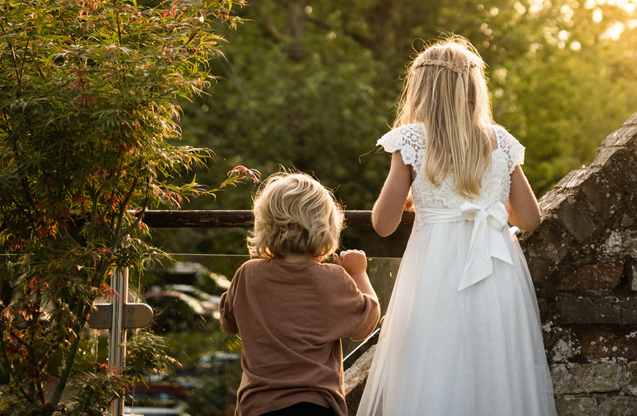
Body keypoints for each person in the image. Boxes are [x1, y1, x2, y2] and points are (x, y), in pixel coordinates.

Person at [357, 36, 557, 415]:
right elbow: (529, 218)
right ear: (474, 88)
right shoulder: (501, 140)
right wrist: (487, 205)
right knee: (494, 363)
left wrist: (430, 201)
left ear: (421, 89)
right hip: (497, 272)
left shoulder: (412, 140)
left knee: (435, 361)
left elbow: (383, 223)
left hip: (435, 272)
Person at [220, 172, 381, 416]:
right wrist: (358, 273)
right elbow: (365, 325)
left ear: (264, 224)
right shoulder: (332, 278)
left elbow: (228, 322)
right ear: (327, 227)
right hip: (317, 403)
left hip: (259, 405)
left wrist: (257, 269)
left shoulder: (248, 274)